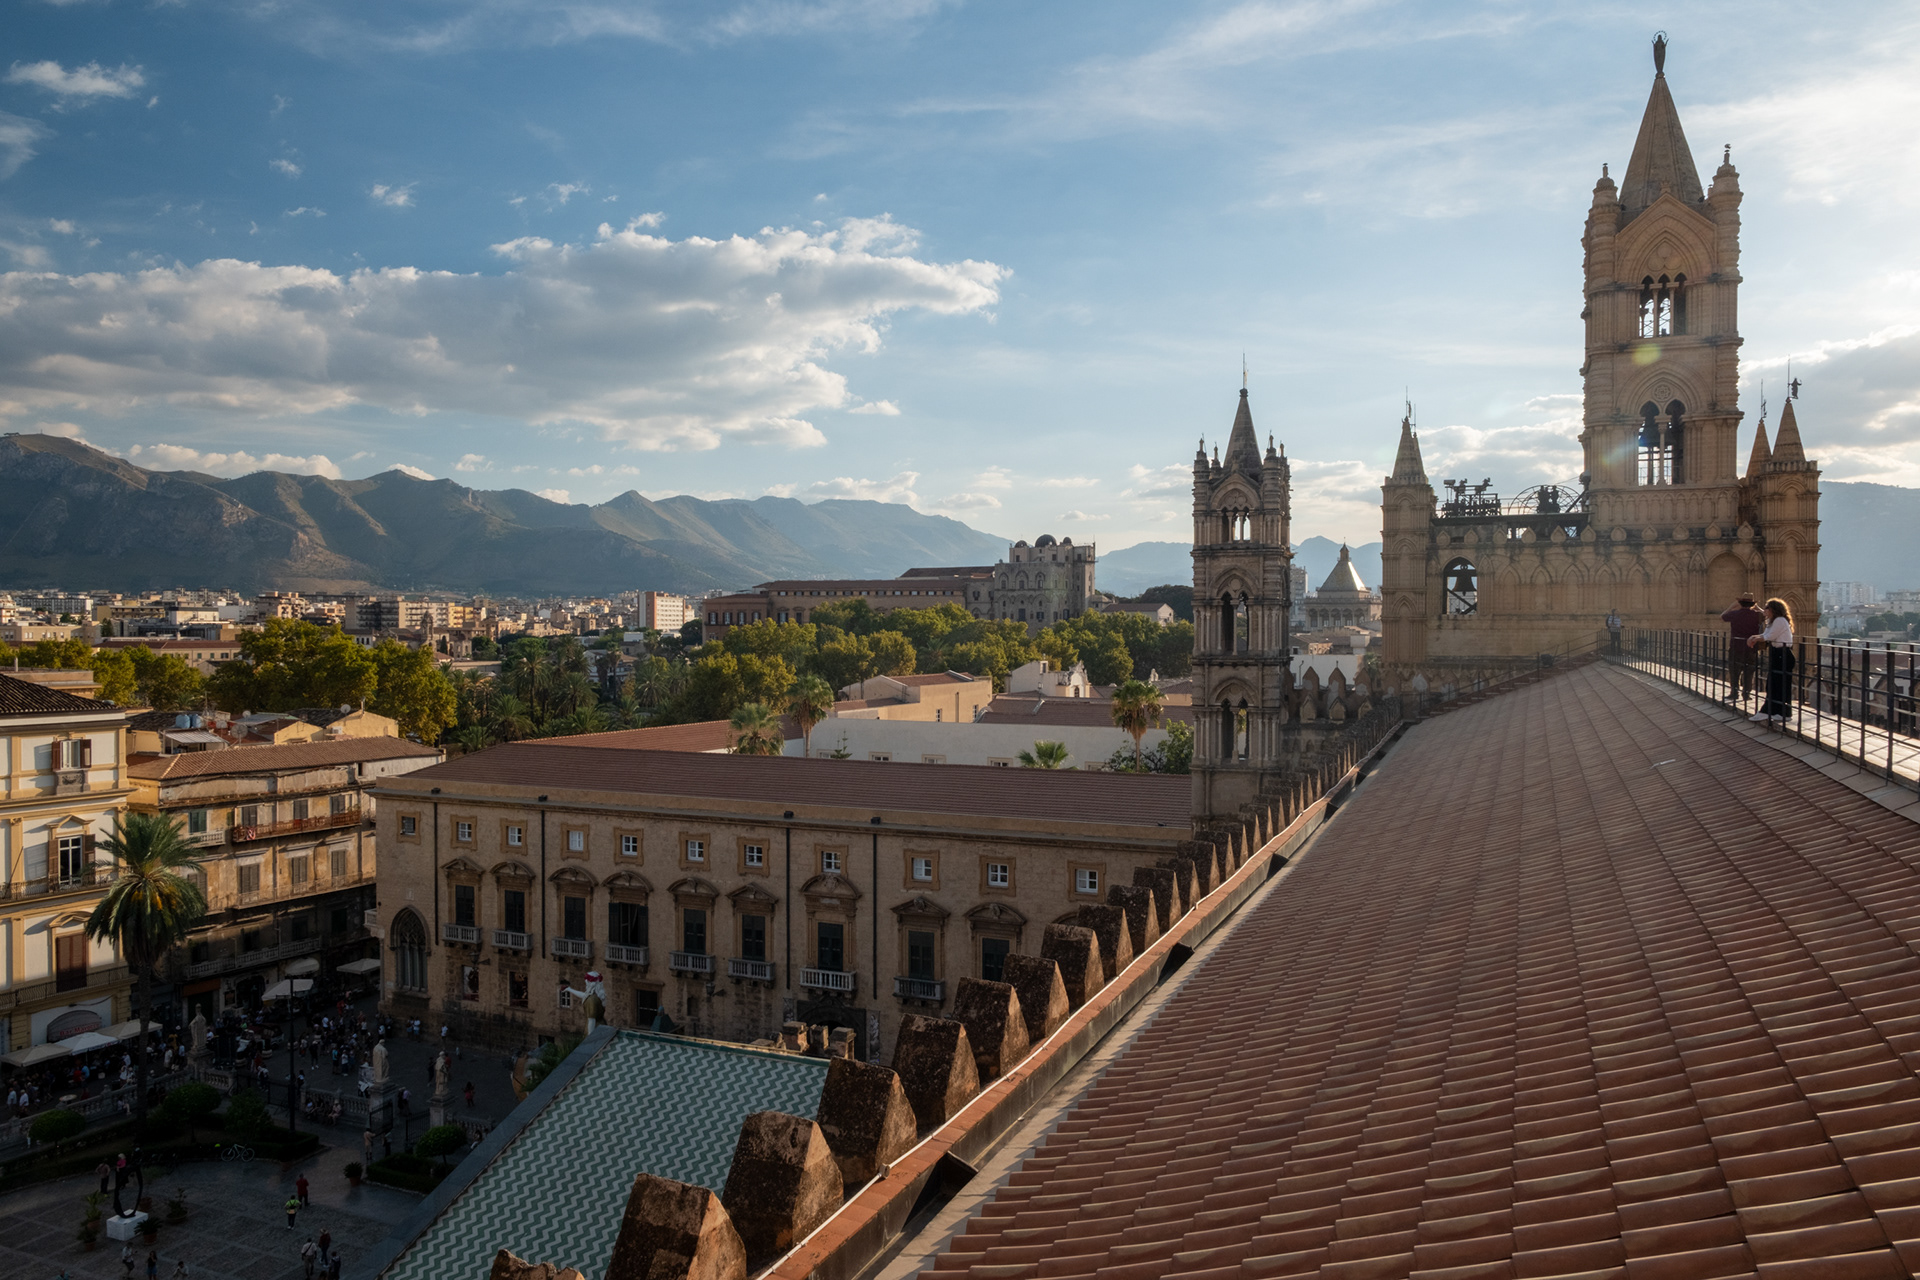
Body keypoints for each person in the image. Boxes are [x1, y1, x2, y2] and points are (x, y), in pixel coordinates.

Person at [1750, 597, 1796, 724]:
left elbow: (1769, 636)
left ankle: (1772, 712)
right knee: (1775, 684)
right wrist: (1754, 637)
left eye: (1766, 607)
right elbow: (1767, 632)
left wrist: (1753, 638)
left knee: (1778, 684)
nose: (1765, 609)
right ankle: (1779, 712)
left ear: (1773, 609)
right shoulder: (1774, 620)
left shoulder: (1780, 621)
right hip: (1778, 654)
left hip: (1783, 654)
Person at [1721, 593, 1764, 703]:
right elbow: (1768, 616)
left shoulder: (1735, 614)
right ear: (1752, 604)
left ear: (1740, 603)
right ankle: (1746, 694)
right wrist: (1758, 608)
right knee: (1749, 671)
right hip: (1752, 647)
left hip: (1736, 646)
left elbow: (1722, 616)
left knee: (1734, 670)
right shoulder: (1757, 615)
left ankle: (1734, 693)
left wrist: (1731, 607)